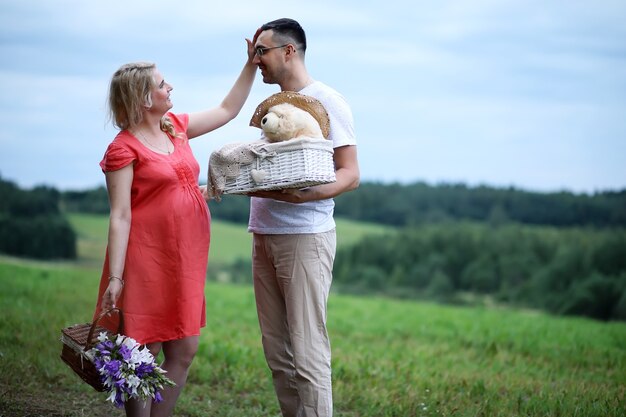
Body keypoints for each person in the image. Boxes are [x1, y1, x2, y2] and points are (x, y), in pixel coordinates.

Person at [92, 37, 257, 417]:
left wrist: (249, 64)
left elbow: (227, 109)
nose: (170, 88)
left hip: (185, 257)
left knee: (184, 348)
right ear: (143, 98)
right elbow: (120, 215)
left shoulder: (175, 128)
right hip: (146, 259)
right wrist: (116, 278)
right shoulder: (123, 148)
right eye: (163, 84)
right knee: (143, 351)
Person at [247, 18, 360, 417]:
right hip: (263, 234)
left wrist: (303, 197)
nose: (255, 59)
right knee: (277, 352)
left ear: (288, 51)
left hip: (304, 237)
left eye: (261, 51)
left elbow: (350, 173)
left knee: (308, 350)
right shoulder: (272, 106)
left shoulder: (327, 100)